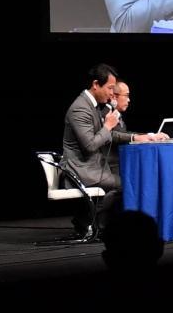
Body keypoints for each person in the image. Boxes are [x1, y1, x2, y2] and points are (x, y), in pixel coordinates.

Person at [61, 63, 123, 237]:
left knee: (124, 179)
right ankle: (91, 223)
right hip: (81, 171)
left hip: (93, 168)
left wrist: (136, 137)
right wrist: (108, 126)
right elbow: (90, 145)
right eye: (110, 88)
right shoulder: (80, 108)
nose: (112, 93)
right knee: (128, 184)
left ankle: (89, 221)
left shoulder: (94, 106)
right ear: (96, 84)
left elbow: (105, 135)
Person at [107, 80, 169, 173]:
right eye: (126, 95)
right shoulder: (107, 113)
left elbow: (124, 134)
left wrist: (149, 136)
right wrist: (136, 138)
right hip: (111, 168)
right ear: (114, 97)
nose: (129, 100)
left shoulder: (117, 114)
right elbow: (112, 135)